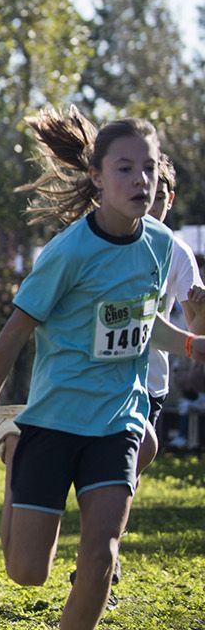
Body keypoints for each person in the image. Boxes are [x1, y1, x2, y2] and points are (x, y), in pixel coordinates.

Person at [0, 107, 205, 630]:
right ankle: (15, 456)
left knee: (101, 556)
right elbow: (14, 335)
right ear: (97, 176)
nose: (140, 179)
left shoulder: (161, 246)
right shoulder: (67, 253)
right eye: (126, 168)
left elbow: (148, 329)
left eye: (149, 168)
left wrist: (195, 346)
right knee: (26, 572)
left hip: (117, 422)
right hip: (52, 423)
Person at [137, 154, 205, 473]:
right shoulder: (105, 243)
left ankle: (108, 522)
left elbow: (196, 328)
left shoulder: (178, 252)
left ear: (171, 200)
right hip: (101, 378)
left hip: (151, 380)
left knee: (127, 468)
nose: (152, 206)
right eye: (147, 196)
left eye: (160, 198)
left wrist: (200, 306)